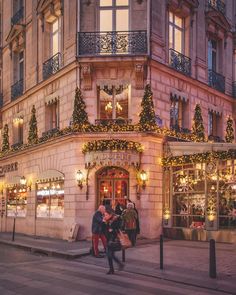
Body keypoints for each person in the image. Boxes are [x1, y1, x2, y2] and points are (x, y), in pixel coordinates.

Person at [103, 208, 124, 274]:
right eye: (104, 215)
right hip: (109, 240)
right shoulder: (108, 221)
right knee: (110, 255)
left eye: (106, 215)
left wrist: (112, 230)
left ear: (110, 215)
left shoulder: (115, 220)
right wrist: (104, 223)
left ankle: (114, 268)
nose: (104, 216)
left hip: (113, 240)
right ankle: (114, 268)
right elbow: (105, 230)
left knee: (110, 254)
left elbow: (119, 229)